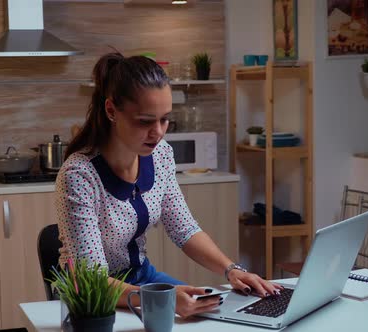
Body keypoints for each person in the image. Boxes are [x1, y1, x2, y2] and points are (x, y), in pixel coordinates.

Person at [56, 52, 281, 318]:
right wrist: (158, 299)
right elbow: (90, 280)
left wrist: (232, 270)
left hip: (142, 279)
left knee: (221, 316)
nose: (159, 132)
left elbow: (184, 229)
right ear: (111, 111)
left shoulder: (160, 155)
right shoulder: (79, 176)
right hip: (93, 297)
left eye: (164, 119)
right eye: (145, 121)